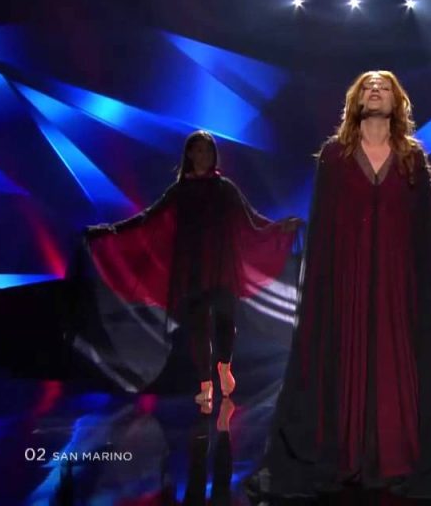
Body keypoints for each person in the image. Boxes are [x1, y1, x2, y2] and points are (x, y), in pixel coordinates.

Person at [249, 71, 431, 500]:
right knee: (348, 361)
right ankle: (346, 455)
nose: (376, 89)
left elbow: (423, 232)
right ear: (356, 99)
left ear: (397, 102)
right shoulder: (335, 156)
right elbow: (323, 231)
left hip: (398, 283)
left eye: (385, 86)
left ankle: (397, 456)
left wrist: (425, 294)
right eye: (368, 85)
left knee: (396, 365)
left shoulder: (411, 158)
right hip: (348, 281)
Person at [85, 130, 300, 403]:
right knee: (199, 327)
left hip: (222, 264)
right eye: (198, 150)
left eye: (207, 151)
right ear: (189, 154)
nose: (203, 155)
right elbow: (148, 217)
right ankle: (205, 384)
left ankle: (224, 366)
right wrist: (111, 230)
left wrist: (280, 227)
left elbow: (251, 217)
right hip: (193, 267)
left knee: (225, 320)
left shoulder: (225, 188)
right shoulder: (180, 190)